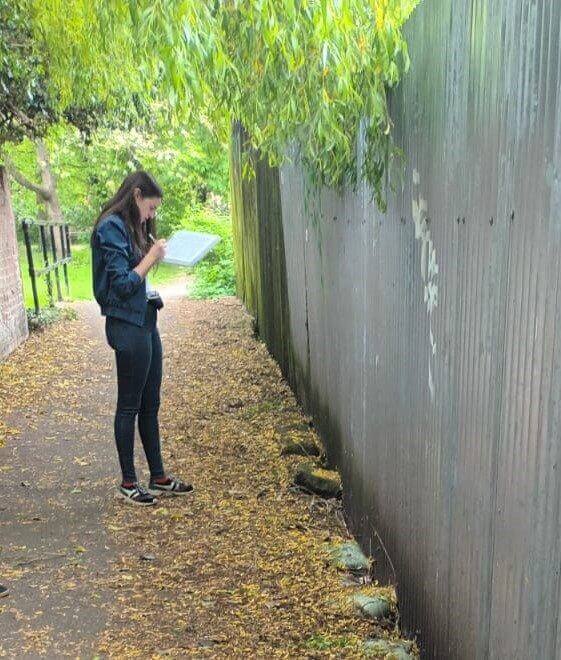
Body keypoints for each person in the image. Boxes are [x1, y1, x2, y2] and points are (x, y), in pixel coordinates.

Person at [91, 171, 193, 505]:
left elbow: (136, 278)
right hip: (126, 323)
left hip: (145, 318)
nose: (151, 216)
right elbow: (121, 284)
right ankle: (128, 481)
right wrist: (151, 257)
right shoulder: (110, 227)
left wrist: (151, 249)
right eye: (150, 208)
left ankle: (158, 476)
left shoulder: (132, 227)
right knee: (129, 405)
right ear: (136, 195)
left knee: (151, 403)